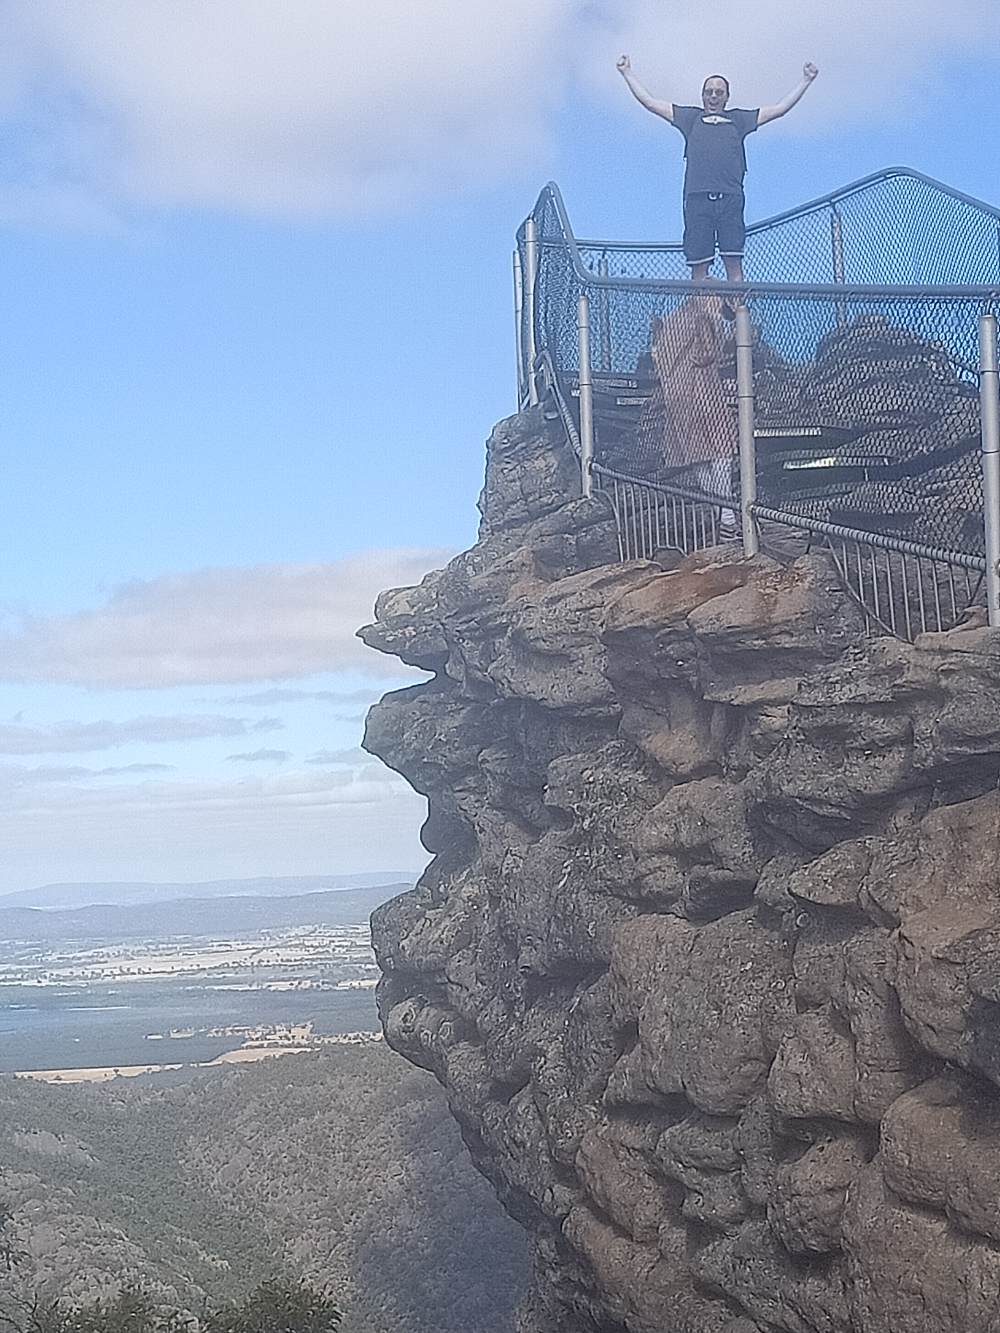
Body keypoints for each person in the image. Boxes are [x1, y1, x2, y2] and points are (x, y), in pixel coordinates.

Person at [616, 58, 819, 281]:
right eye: (709, 92)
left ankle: (738, 312)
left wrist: (805, 80)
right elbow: (650, 102)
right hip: (697, 200)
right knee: (699, 266)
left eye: (719, 92)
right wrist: (627, 73)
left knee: (733, 262)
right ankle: (702, 314)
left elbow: (779, 109)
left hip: (730, 200)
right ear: (702, 95)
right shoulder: (690, 118)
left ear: (727, 97)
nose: (713, 96)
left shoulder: (739, 119)